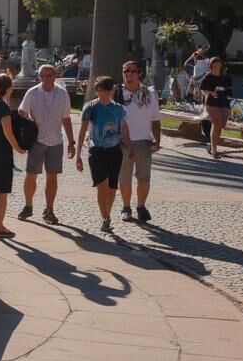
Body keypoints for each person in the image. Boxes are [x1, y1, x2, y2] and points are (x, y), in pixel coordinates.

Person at [17, 64, 75, 225]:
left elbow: (66, 118)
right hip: (37, 140)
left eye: (48, 76)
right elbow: (21, 111)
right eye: (41, 76)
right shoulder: (33, 92)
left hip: (56, 141)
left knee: (52, 176)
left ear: (54, 76)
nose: (44, 79)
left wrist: (71, 142)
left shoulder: (62, 94)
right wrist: (29, 121)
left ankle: (49, 209)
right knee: (31, 174)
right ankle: (28, 205)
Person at [75, 76, 134, 233]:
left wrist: (131, 149)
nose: (105, 94)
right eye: (101, 90)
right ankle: (105, 217)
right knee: (102, 184)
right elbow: (82, 131)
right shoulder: (90, 108)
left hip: (114, 150)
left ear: (112, 91)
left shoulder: (120, 109)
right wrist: (78, 155)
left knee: (112, 186)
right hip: (97, 150)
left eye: (108, 90)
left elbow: (125, 131)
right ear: (97, 91)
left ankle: (107, 213)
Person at [115, 61, 161, 224]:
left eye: (132, 71)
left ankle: (141, 206)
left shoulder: (149, 93)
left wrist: (157, 139)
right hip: (122, 142)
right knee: (124, 178)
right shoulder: (117, 92)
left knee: (144, 178)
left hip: (143, 141)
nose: (128, 74)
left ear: (138, 73)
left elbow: (155, 119)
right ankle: (126, 207)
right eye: (125, 71)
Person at [0, 73, 26, 238]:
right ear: (9, 87)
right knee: (2, 192)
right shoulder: (3, 107)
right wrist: (19, 149)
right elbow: (8, 132)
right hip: (1, 153)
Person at [198, 57, 233, 159]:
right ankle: (214, 150)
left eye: (219, 64)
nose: (217, 66)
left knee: (221, 125)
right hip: (212, 102)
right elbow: (203, 90)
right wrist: (212, 92)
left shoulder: (225, 77)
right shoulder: (207, 77)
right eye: (215, 64)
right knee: (216, 123)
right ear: (211, 65)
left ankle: (213, 145)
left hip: (224, 102)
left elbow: (229, 91)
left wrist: (225, 92)